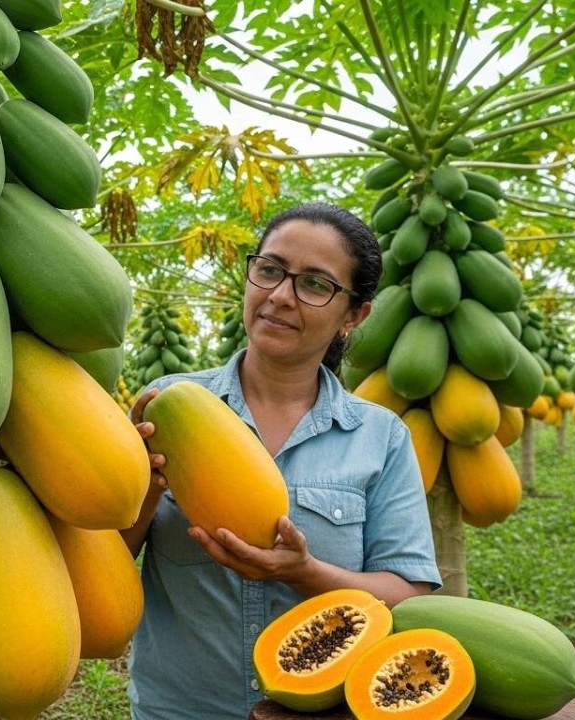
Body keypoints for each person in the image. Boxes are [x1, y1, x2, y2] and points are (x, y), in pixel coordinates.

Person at [121, 202, 442, 720]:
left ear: (354, 315)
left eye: (315, 285)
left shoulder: (381, 437)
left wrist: (305, 572)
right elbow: (107, 557)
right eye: (270, 270)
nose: (280, 296)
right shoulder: (165, 403)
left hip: (326, 710)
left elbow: (407, 594)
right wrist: (148, 484)